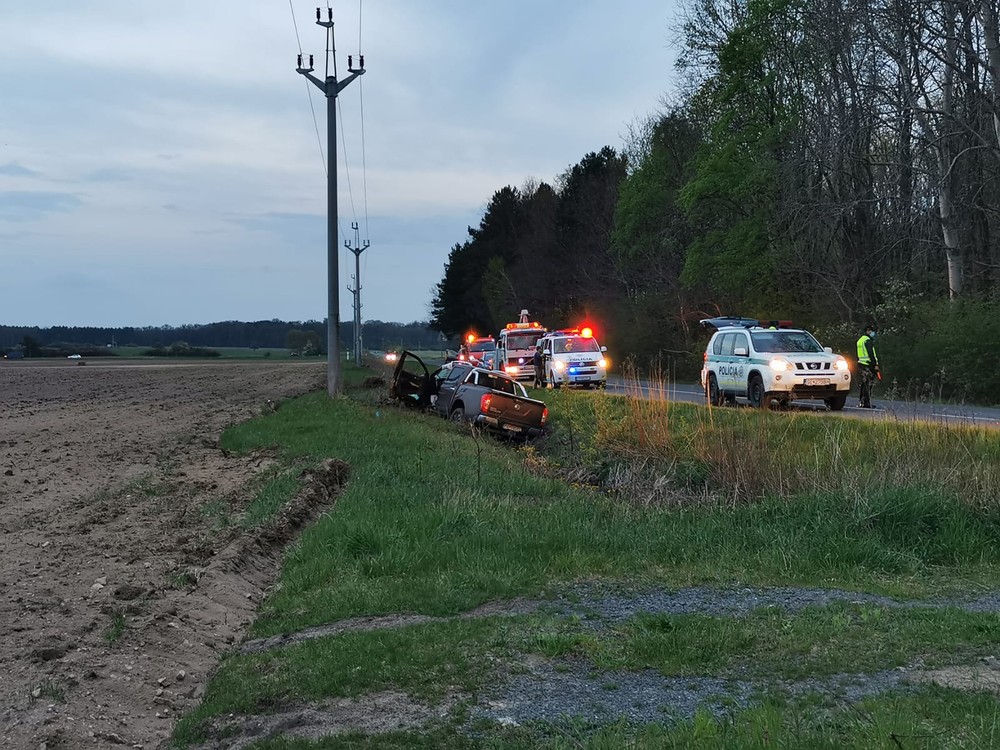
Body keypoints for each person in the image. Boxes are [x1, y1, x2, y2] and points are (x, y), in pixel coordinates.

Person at [856, 323, 880, 408]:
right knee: (868, 384)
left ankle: (862, 401)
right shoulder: (867, 341)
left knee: (864, 384)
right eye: (872, 331)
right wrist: (875, 364)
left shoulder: (860, 340)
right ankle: (866, 402)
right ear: (868, 331)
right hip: (867, 364)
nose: (873, 333)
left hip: (861, 364)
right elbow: (871, 353)